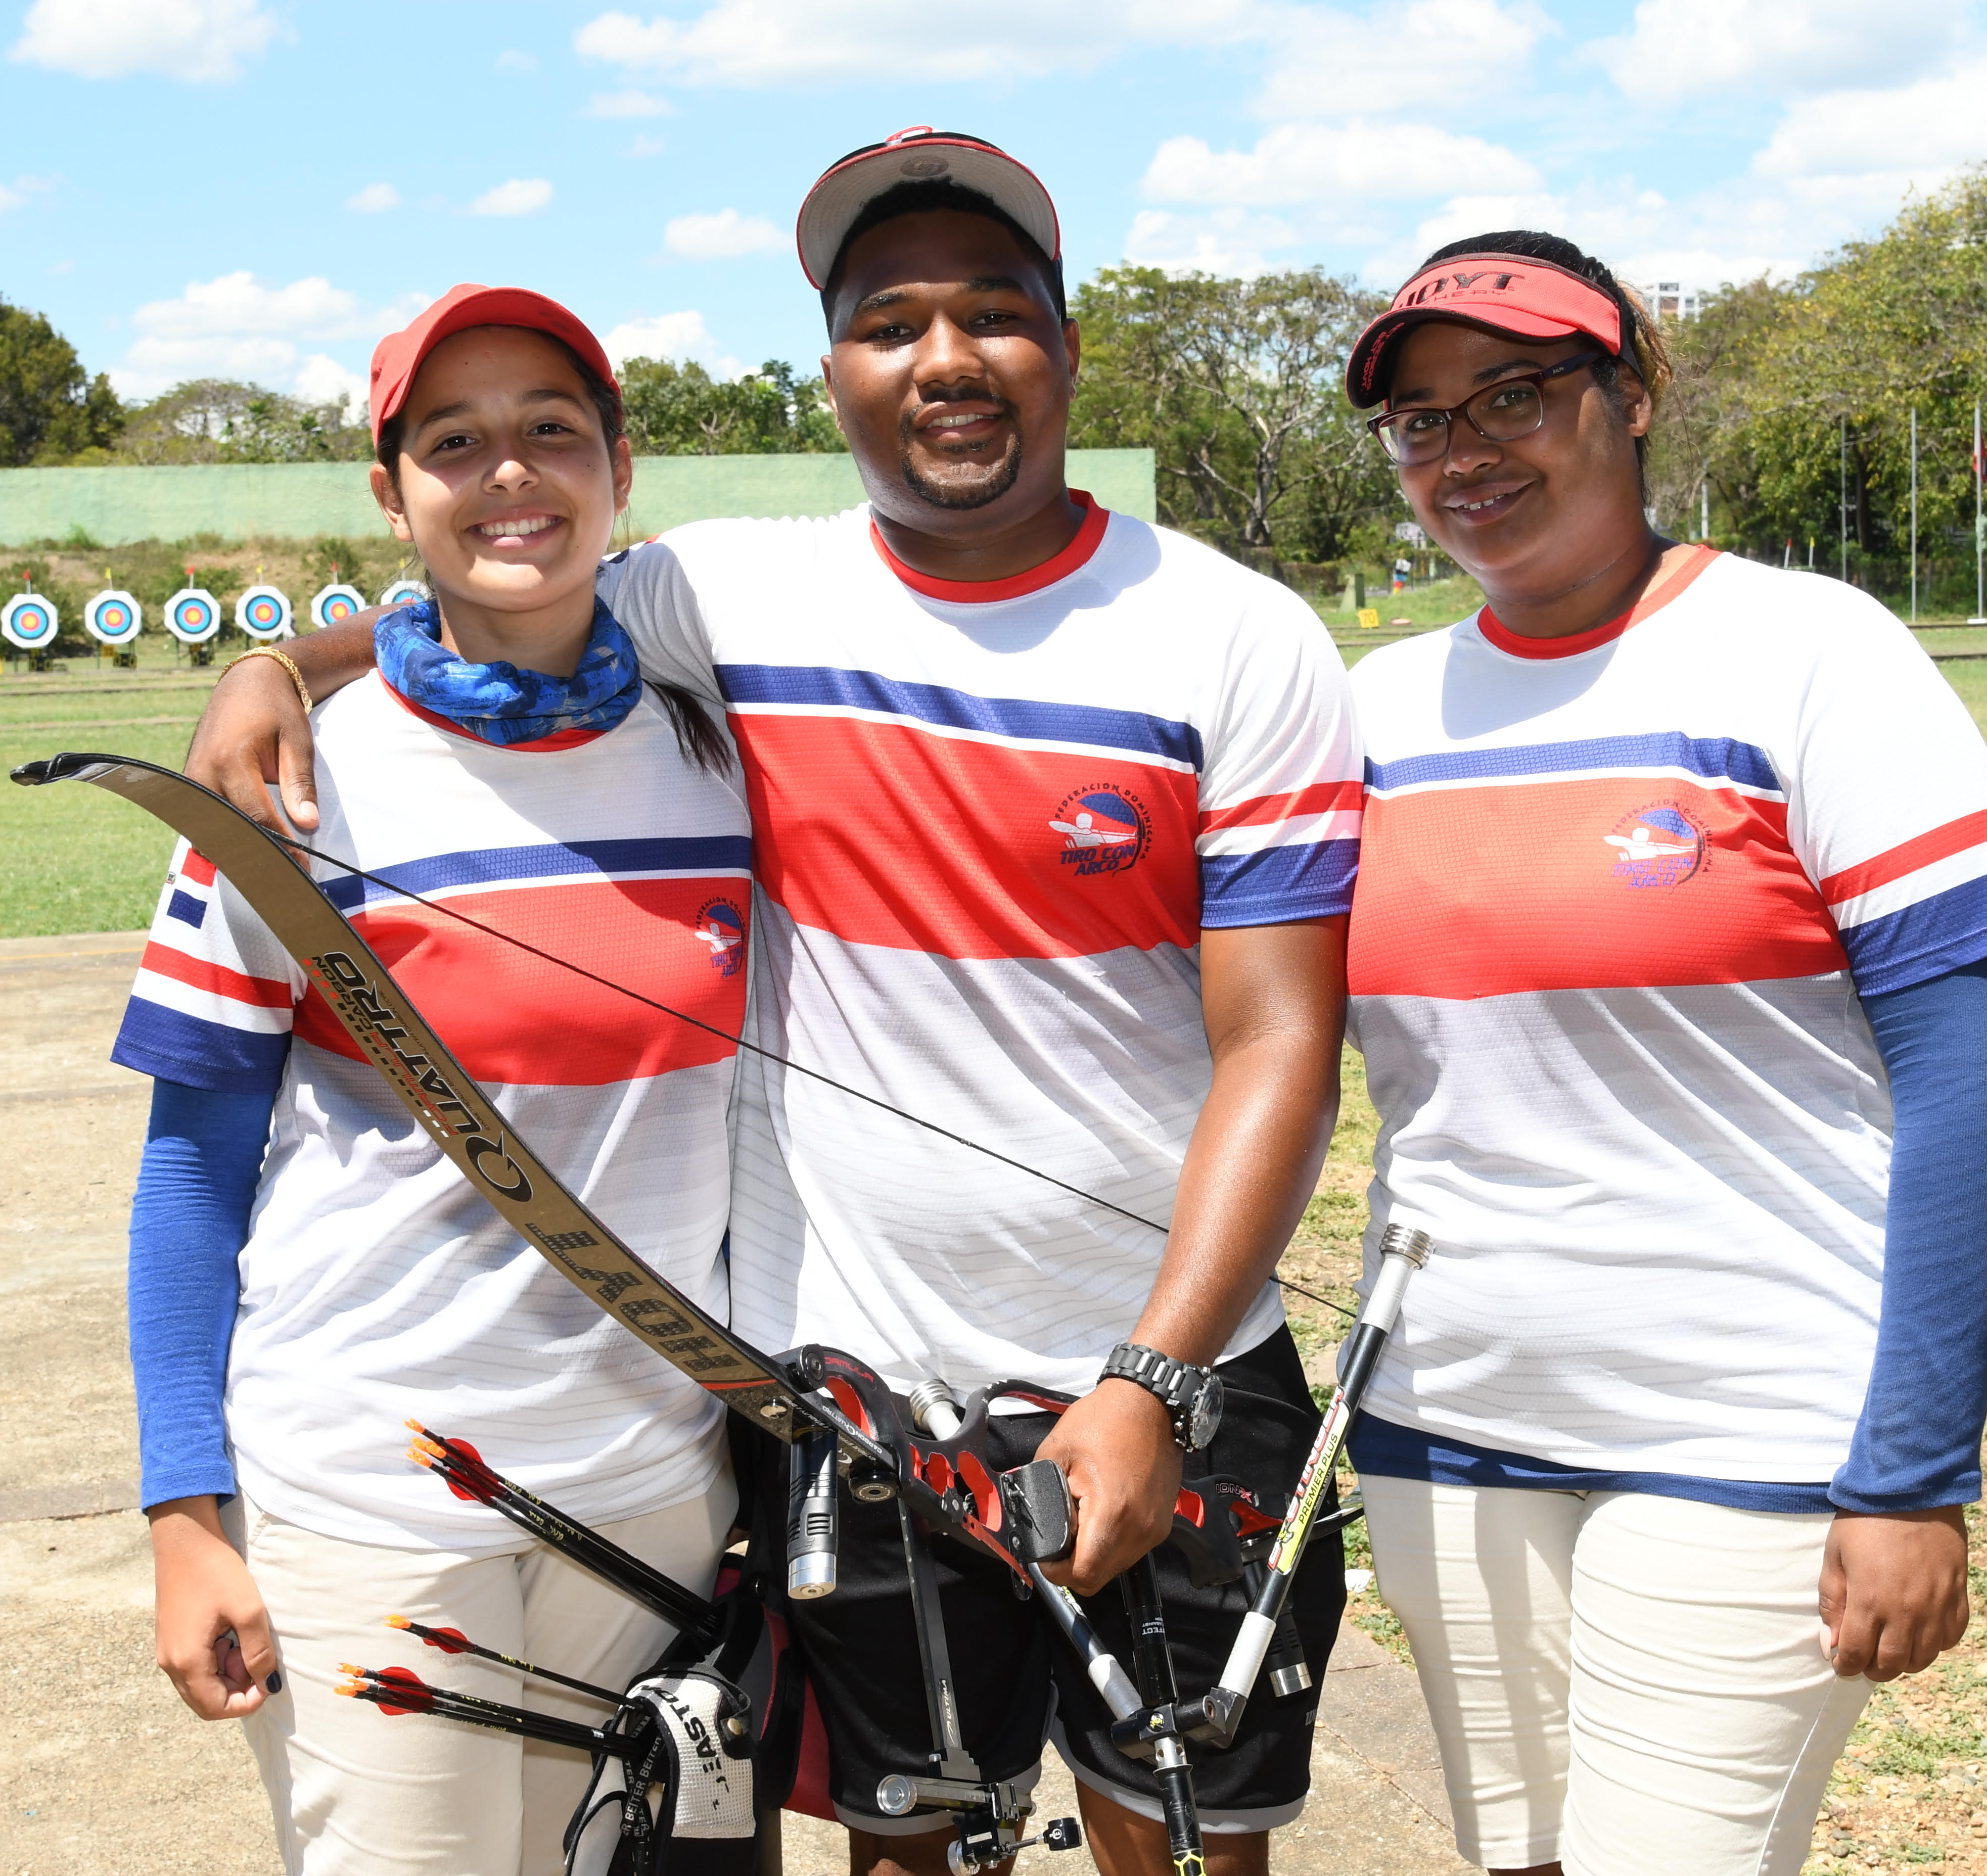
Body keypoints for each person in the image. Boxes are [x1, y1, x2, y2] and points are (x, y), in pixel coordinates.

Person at [179, 130, 1357, 1876]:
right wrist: (279, 661)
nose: (943, 360)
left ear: (1066, 348)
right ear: (837, 372)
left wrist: (1151, 1379)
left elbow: (1284, 1041)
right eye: (889, 323)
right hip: (854, 1386)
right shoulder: (723, 596)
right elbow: (498, 578)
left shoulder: (1236, 636)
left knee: (1182, 1847)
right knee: (905, 1846)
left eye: (991, 314)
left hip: (1164, 1373)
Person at [1335, 233, 1987, 1875]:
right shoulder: (1379, 709)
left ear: (1634, 395)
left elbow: (1976, 1066)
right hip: (1450, 1419)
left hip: (1750, 1430)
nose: (1467, 452)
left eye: (1516, 394)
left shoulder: (1810, 653)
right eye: (1424, 421)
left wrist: (1916, 1475)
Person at [120, 284, 751, 1876]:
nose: (511, 475)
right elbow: (191, 1166)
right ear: (391, 494)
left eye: (554, 430)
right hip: (368, 1485)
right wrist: (183, 1519)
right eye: (453, 443)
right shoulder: (284, 789)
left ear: (622, 470)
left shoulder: (730, 754)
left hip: (659, 1486)